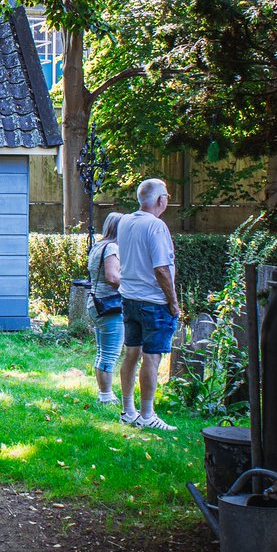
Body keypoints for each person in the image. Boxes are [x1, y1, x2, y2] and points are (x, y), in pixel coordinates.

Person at [117, 178, 179, 431]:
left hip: (129, 298)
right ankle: (147, 414)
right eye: (166, 197)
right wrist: (173, 302)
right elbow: (161, 269)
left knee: (131, 354)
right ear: (160, 200)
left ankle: (128, 410)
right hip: (153, 302)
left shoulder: (125, 222)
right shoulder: (156, 226)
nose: (167, 201)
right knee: (151, 359)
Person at [87, 212, 125, 405]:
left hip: (95, 303)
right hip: (109, 305)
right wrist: (130, 288)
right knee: (110, 352)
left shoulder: (98, 246)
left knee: (102, 350)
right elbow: (112, 277)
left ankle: (104, 393)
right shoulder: (112, 247)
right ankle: (106, 395)